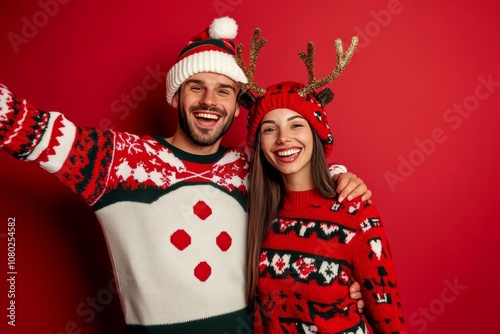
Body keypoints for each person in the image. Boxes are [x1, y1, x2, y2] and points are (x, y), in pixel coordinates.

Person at [0, 17, 370, 333]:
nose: (210, 101)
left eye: (223, 91)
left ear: (236, 106)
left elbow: (297, 164)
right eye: (197, 87)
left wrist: (337, 177)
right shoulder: (118, 160)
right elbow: (22, 123)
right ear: (176, 96)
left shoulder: (250, 167)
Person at [241, 30, 407, 333]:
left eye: (296, 125)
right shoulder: (255, 216)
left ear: (316, 134)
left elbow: (390, 322)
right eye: (269, 129)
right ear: (259, 144)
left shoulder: (354, 211)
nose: (283, 139)